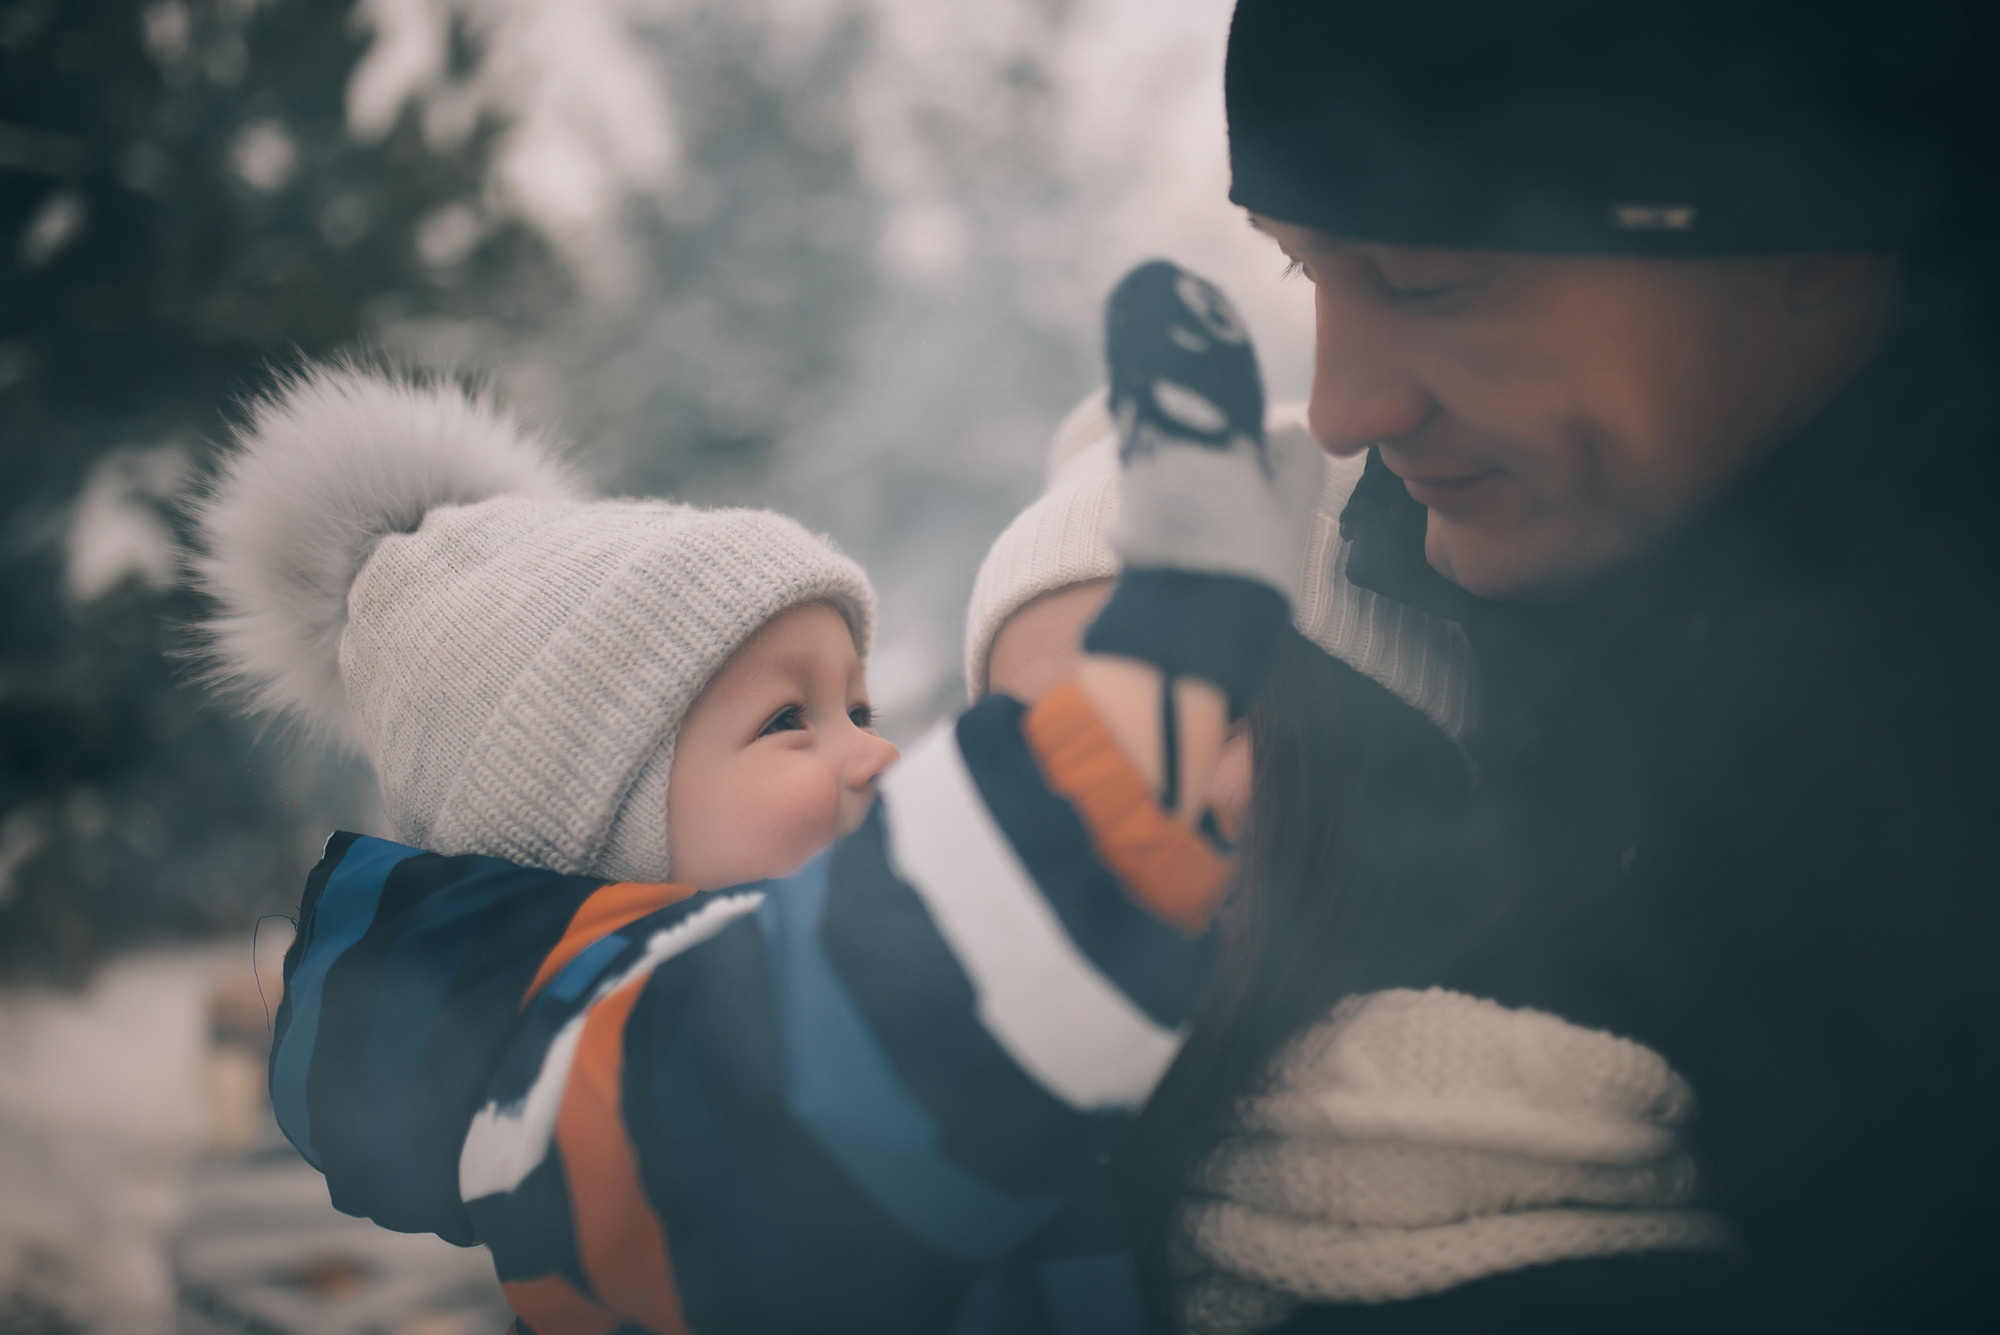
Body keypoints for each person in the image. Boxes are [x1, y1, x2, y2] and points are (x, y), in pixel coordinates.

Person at [1041, 1, 1997, 1330]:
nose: (1345, 404)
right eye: (1306, 271)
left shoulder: (1930, 776)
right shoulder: (1408, 589)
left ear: (1811, 222)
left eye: (1436, 284)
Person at [191, 266, 1350, 1334]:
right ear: (597, 831)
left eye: (861, 709)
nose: (877, 758)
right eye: (786, 721)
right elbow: (871, 1048)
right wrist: (1127, 728)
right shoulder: (603, 1072)